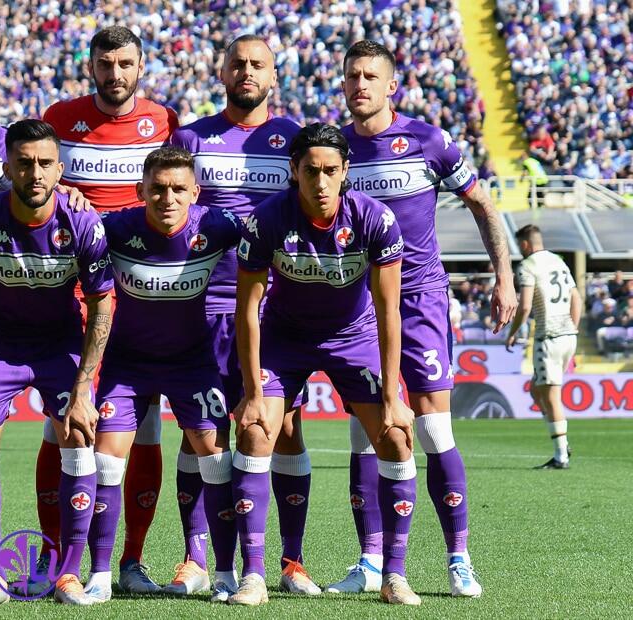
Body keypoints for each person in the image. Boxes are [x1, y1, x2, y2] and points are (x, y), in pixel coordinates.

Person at [333, 40, 516, 598]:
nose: (359, 85)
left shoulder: (429, 141)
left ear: (392, 86)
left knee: (435, 429)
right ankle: (369, 559)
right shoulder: (333, 150)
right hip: (357, 307)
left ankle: (458, 557)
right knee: (367, 434)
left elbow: (484, 204)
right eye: (351, 76)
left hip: (419, 301)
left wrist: (504, 276)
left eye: (370, 76)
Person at [233, 123, 419, 606]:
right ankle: (256, 575)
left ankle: (394, 575)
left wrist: (394, 397)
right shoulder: (269, 219)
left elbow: (388, 310)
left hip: (352, 338)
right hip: (284, 339)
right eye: (310, 171)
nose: (320, 182)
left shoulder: (375, 220)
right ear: (293, 171)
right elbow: (247, 309)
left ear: (345, 172)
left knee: (397, 436)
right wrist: (253, 391)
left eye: (330, 171)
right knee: (256, 431)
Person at [169, 33, 319, 598]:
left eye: (258, 65)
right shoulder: (193, 137)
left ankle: (291, 559)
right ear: (222, 71)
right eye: (238, 64)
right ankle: (195, 558)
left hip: (277, 306)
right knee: (201, 433)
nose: (247, 72)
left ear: (274, 75)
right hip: (203, 304)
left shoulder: (292, 140)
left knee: (282, 428)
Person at [0, 119, 113, 607]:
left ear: (60, 170)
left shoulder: (81, 222)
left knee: (79, 430)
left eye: (44, 163)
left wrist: (83, 389)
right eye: (24, 163)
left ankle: (68, 575)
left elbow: (103, 303)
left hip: (58, 343)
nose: (34, 173)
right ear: (7, 167)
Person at [40, 26, 178, 595]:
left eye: (125, 63)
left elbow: (180, 195)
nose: (115, 73)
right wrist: (59, 194)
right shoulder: (59, 116)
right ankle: (58, 559)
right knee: (63, 425)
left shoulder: (166, 123)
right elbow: (31, 179)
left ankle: (132, 559)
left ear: (140, 66)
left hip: (142, 301)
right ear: (89, 65)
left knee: (142, 429)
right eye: (105, 63)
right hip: (74, 298)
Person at [89, 147, 242, 604]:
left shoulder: (218, 227)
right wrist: (71, 200)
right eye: (157, 189)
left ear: (195, 193)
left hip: (192, 363)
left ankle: (225, 572)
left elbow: (273, 231)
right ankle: (101, 573)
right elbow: (69, 231)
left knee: (215, 457)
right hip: (127, 364)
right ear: (140, 191)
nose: (167, 198)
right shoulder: (114, 229)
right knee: (107, 460)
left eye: (179, 189)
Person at [506, 225, 580, 469]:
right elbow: (576, 298)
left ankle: (561, 455)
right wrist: (572, 328)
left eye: (520, 246)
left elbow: (525, 306)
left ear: (525, 244)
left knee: (550, 395)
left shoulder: (528, 266)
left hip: (549, 337)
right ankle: (561, 440)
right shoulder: (558, 261)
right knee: (536, 391)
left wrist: (513, 331)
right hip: (568, 333)